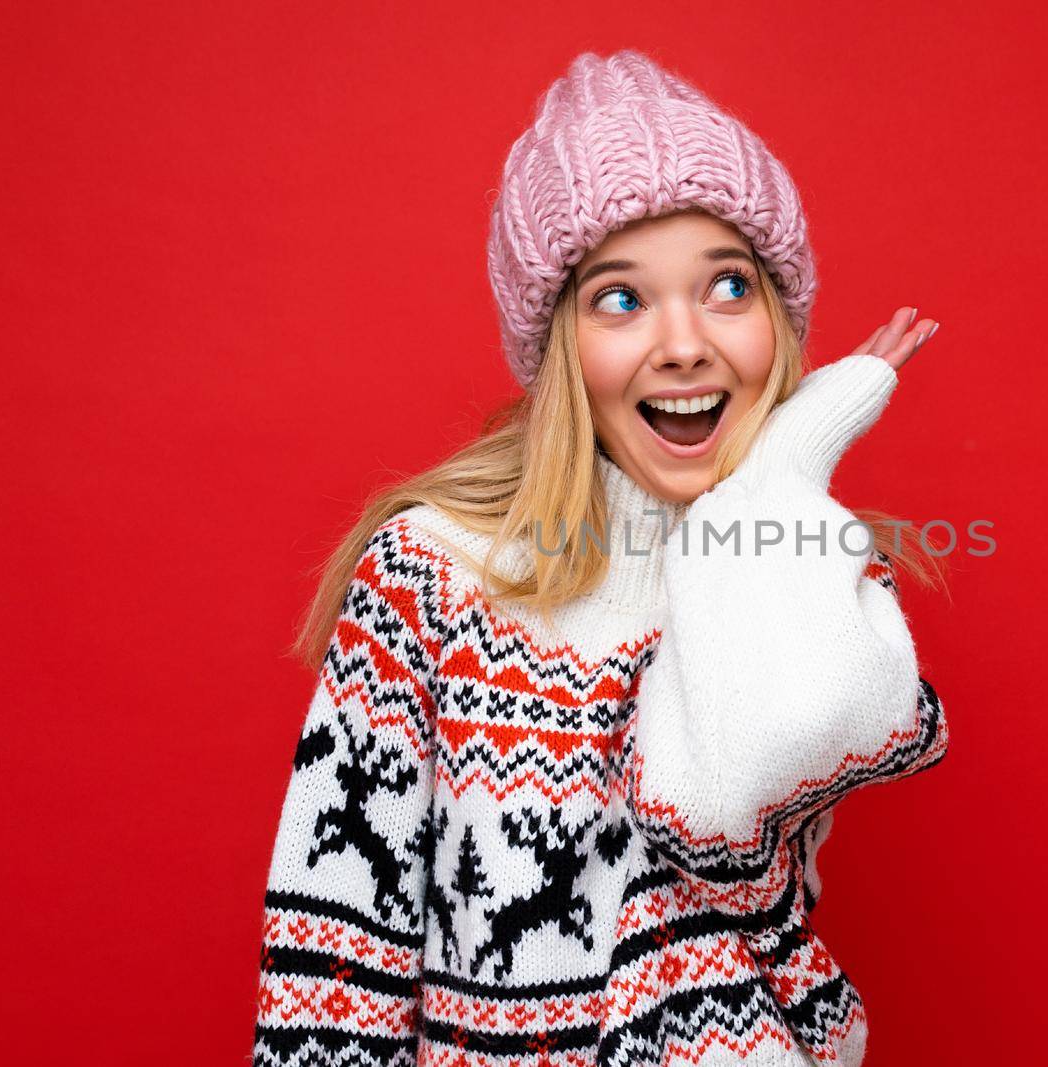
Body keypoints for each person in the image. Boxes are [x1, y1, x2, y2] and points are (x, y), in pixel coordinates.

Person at [252, 49, 950, 1067]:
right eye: (620, 299)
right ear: (557, 350)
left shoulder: (788, 568)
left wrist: (779, 483)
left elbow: (732, 837)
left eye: (726, 285)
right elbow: (334, 952)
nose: (681, 344)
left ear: (777, 322)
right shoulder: (434, 573)